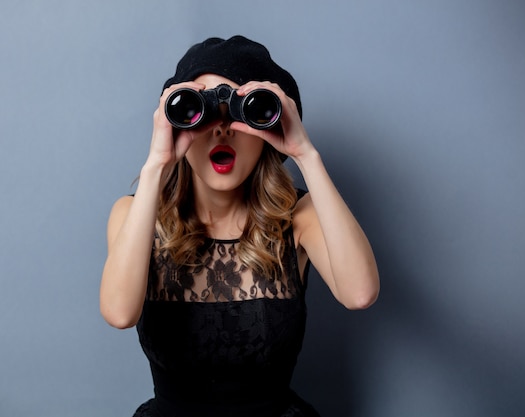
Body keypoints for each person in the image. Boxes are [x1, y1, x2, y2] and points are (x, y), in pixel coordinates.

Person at [100, 35, 380, 417]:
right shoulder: (131, 215)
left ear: (267, 125)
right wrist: (156, 166)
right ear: (178, 123)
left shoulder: (300, 216)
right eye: (203, 111)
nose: (221, 129)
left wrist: (305, 154)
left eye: (236, 112)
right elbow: (118, 313)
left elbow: (359, 293)